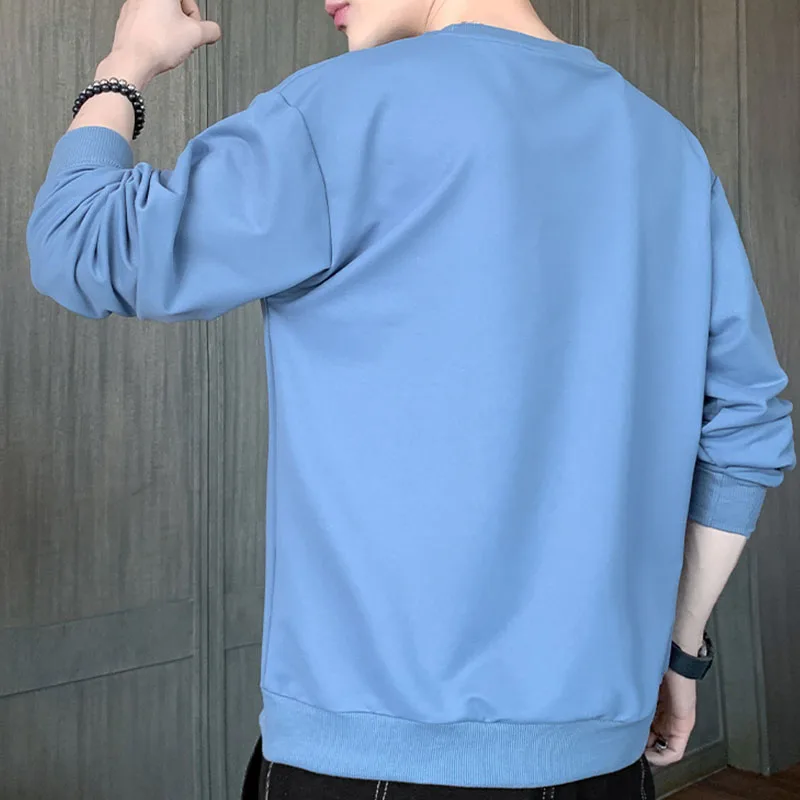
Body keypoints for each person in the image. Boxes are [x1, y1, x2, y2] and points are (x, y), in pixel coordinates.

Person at [27, 0, 795, 798]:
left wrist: (126, 65)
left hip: (375, 766)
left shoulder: (341, 112)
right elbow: (747, 426)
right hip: (602, 759)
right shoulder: (669, 151)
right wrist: (676, 649)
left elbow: (80, 242)